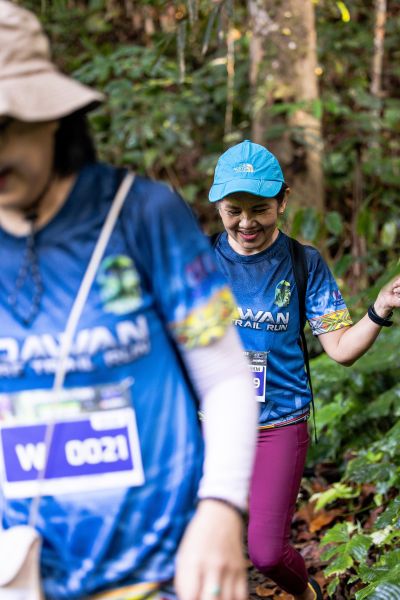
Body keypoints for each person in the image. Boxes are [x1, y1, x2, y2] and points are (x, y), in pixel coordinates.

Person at [0, 3, 258, 599]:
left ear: (52, 116)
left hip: (163, 568)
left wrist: (222, 508)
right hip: (26, 575)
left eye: (6, 123)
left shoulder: (141, 215)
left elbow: (224, 376)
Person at [208, 139, 400, 600]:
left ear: (283, 201)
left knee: (268, 554)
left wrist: (379, 308)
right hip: (209, 425)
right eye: (234, 211)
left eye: (259, 209)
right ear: (218, 206)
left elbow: (341, 349)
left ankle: (310, 594)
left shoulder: (303, 263)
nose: (246, 222)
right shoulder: (196, 262)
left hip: (279, 422)